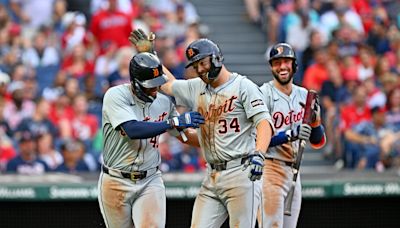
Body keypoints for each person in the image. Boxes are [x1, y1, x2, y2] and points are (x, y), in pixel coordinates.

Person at [130, 30, 274, 227]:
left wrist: (260, 153)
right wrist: (152, 58)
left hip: (240, 172)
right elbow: (168, 84)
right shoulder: (197, 87)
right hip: (212, 176)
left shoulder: (243, 86)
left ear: (216, 58)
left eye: (202, 63)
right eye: (196, 66)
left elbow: (264, 122)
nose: (199, 69)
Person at [98, 51, 205, 228]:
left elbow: (184, 136)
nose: (155, 90)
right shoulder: (115, 95)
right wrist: (172, 122)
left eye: (158, 85)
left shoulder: (164, 102)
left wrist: (218, 140)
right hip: (116, 180)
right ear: (135, 82)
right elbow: (132, 129)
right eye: (150, 86)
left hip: (150, 179)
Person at [259, 43, 326, 227]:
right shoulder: (262, 94)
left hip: (294, 172)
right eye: (276, 62)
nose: (282, 67)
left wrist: (316, 121)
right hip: (269, 170)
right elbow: (258, 140)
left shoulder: (304, 95)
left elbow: (318, 141)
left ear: (294, 65)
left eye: (286, 62)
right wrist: (290, 134)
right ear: (271, 67)